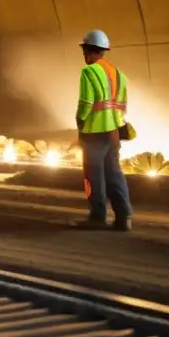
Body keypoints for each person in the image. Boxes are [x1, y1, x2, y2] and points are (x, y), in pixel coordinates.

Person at [74, 30, 133, 231]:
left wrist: (80, 123)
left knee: (93, 176)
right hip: (114, 132)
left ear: (88, 50)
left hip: (94, 132)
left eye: (84, 51)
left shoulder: (88, 72)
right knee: (114, 173)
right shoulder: (119, 75)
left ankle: (98, 216)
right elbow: (122, 106)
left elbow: (86, 103)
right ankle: (123, 217)